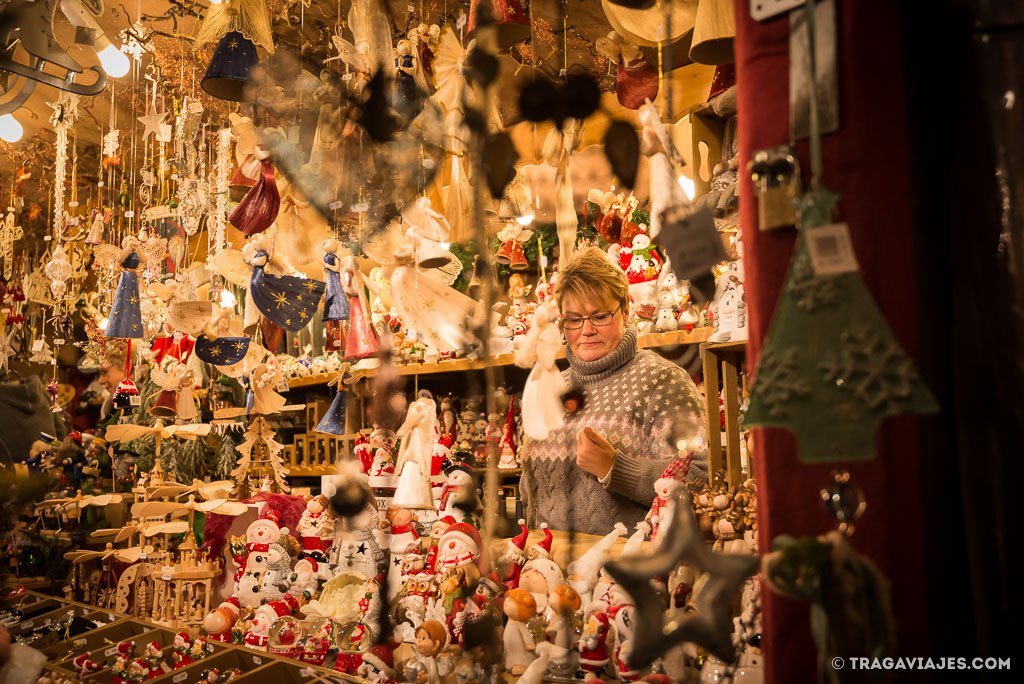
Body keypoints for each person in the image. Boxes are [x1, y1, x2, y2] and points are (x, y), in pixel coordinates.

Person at [520, 247, 706, 535]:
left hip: (628, 573)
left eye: (600, 316)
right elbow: (530, 495)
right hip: (549, 570)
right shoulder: (548, 388)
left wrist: (615, 469)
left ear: (626, 310)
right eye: (574, 319)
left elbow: (698, 481)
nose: (586, 330)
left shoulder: (663, 383)